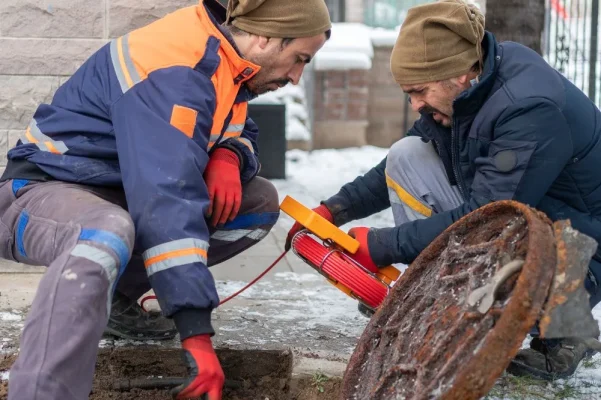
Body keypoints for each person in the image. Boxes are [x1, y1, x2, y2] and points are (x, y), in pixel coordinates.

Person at [2, 0, 331, 398]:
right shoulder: (177, 71)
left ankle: (118, 299)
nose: (296, 76)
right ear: (264, 38)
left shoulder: (226, 59)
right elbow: (167, 200)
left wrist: (230, 153)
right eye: (299, 59)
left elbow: (237, 125)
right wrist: (196, 333)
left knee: (257, 203)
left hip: (117, 191)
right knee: (104, 234)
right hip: (37, 194)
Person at [287, 0, 601, 382]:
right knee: (406, 155)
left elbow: (487, 216)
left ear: (459, 73)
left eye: (419, 91)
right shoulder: (472, 88)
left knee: (494, 236)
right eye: (408, 94)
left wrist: (382, 245)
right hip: (528, 223)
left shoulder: (528, 108)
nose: (415, 104)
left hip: (578, 256)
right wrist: (336, 209)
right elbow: (396, 166)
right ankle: (444, 299)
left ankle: (568, 327)